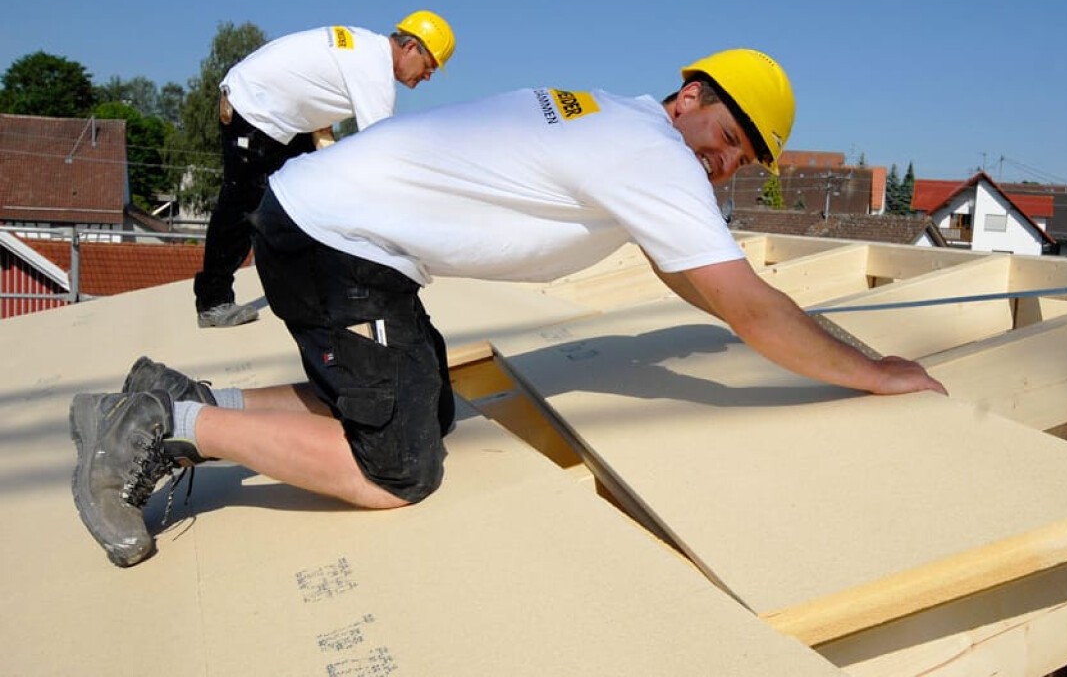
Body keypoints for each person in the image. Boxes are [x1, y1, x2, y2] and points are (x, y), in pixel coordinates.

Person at [68, 48, 948, 567]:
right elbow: (746, 308)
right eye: (725, 140)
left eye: (741, 162)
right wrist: (874, 374)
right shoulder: (653, 154)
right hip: (338, 247)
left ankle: (164, 392)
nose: (723, 166)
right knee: (398, 471)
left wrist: (836, 341)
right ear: (691, 96)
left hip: (337, 233)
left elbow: (699, 283)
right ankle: (157, 423)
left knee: (426, 405)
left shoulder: (620, 122)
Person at [193, 10, 457, 329]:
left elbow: (315, 87)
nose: (427, 76)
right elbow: (384, 152)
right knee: (243, 201)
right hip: (254, 107)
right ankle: (213, 301)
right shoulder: (374, 72)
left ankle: (315, 286)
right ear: (412, 47)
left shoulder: (366, 47)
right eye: (429, 66)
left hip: (286, 117)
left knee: (311, 198)